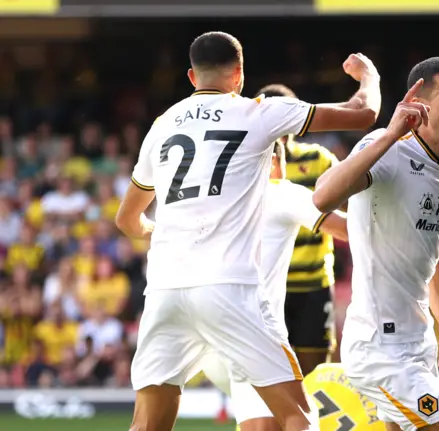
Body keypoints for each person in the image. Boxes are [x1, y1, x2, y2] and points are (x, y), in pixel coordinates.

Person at [115, 31, 381, 431]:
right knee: (298, 415)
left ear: (191, 76)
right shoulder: (258, 113)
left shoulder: (161, 125)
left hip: (165, 291)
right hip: (230, 290)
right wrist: (369, 76)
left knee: (148, 423)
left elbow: (126, 220)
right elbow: (363, 113)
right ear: (240, 74)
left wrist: (154, 229)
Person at [313, 57, 439, 430]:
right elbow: (322, 197)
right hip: (380, 348)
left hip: (418, 341)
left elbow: (428, 248)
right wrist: (392, 133)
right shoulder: (386, 148)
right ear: (420, 104)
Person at [203, 140, 348, 431]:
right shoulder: (280, 192)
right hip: (256, 335)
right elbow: (351, 230)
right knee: (302, 421)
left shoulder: (214, 198)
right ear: (273, 162)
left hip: (207, 337)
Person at [255, 83, 341, 375]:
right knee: (268, 375)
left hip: (312, 286)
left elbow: (353, 201)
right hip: (265, 289)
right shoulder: (248, 164)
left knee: (315, 376)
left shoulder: (319, 160)